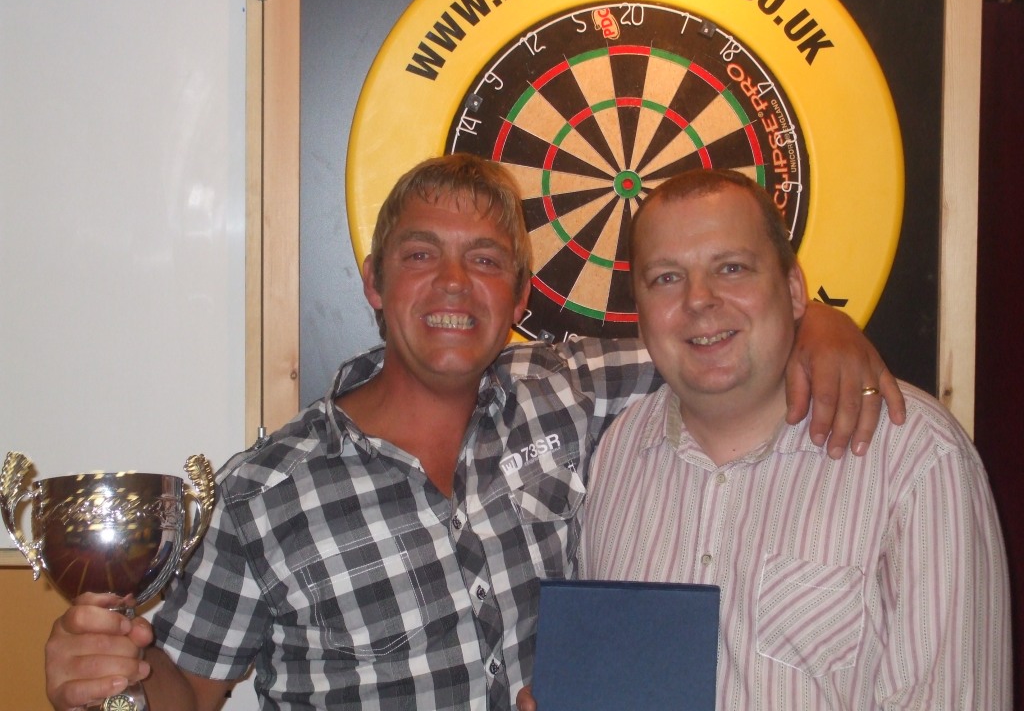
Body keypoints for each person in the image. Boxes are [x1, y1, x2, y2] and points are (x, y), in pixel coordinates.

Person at [43, 156, 905, 711]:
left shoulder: (564, 393)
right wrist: (110, 673)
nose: (454, 284)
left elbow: (710, 338)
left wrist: (819, 322)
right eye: (421, 255)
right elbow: (189, 689)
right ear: (375, 282)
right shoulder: (267, 491)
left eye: (486, 260)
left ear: (519, 295)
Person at [572, 169, 1009, 708]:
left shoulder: (915, 454)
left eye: (731, 268)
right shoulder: (618, 453)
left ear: (795, 291)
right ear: (639, 311)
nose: (699, 299)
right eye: (666, 277)